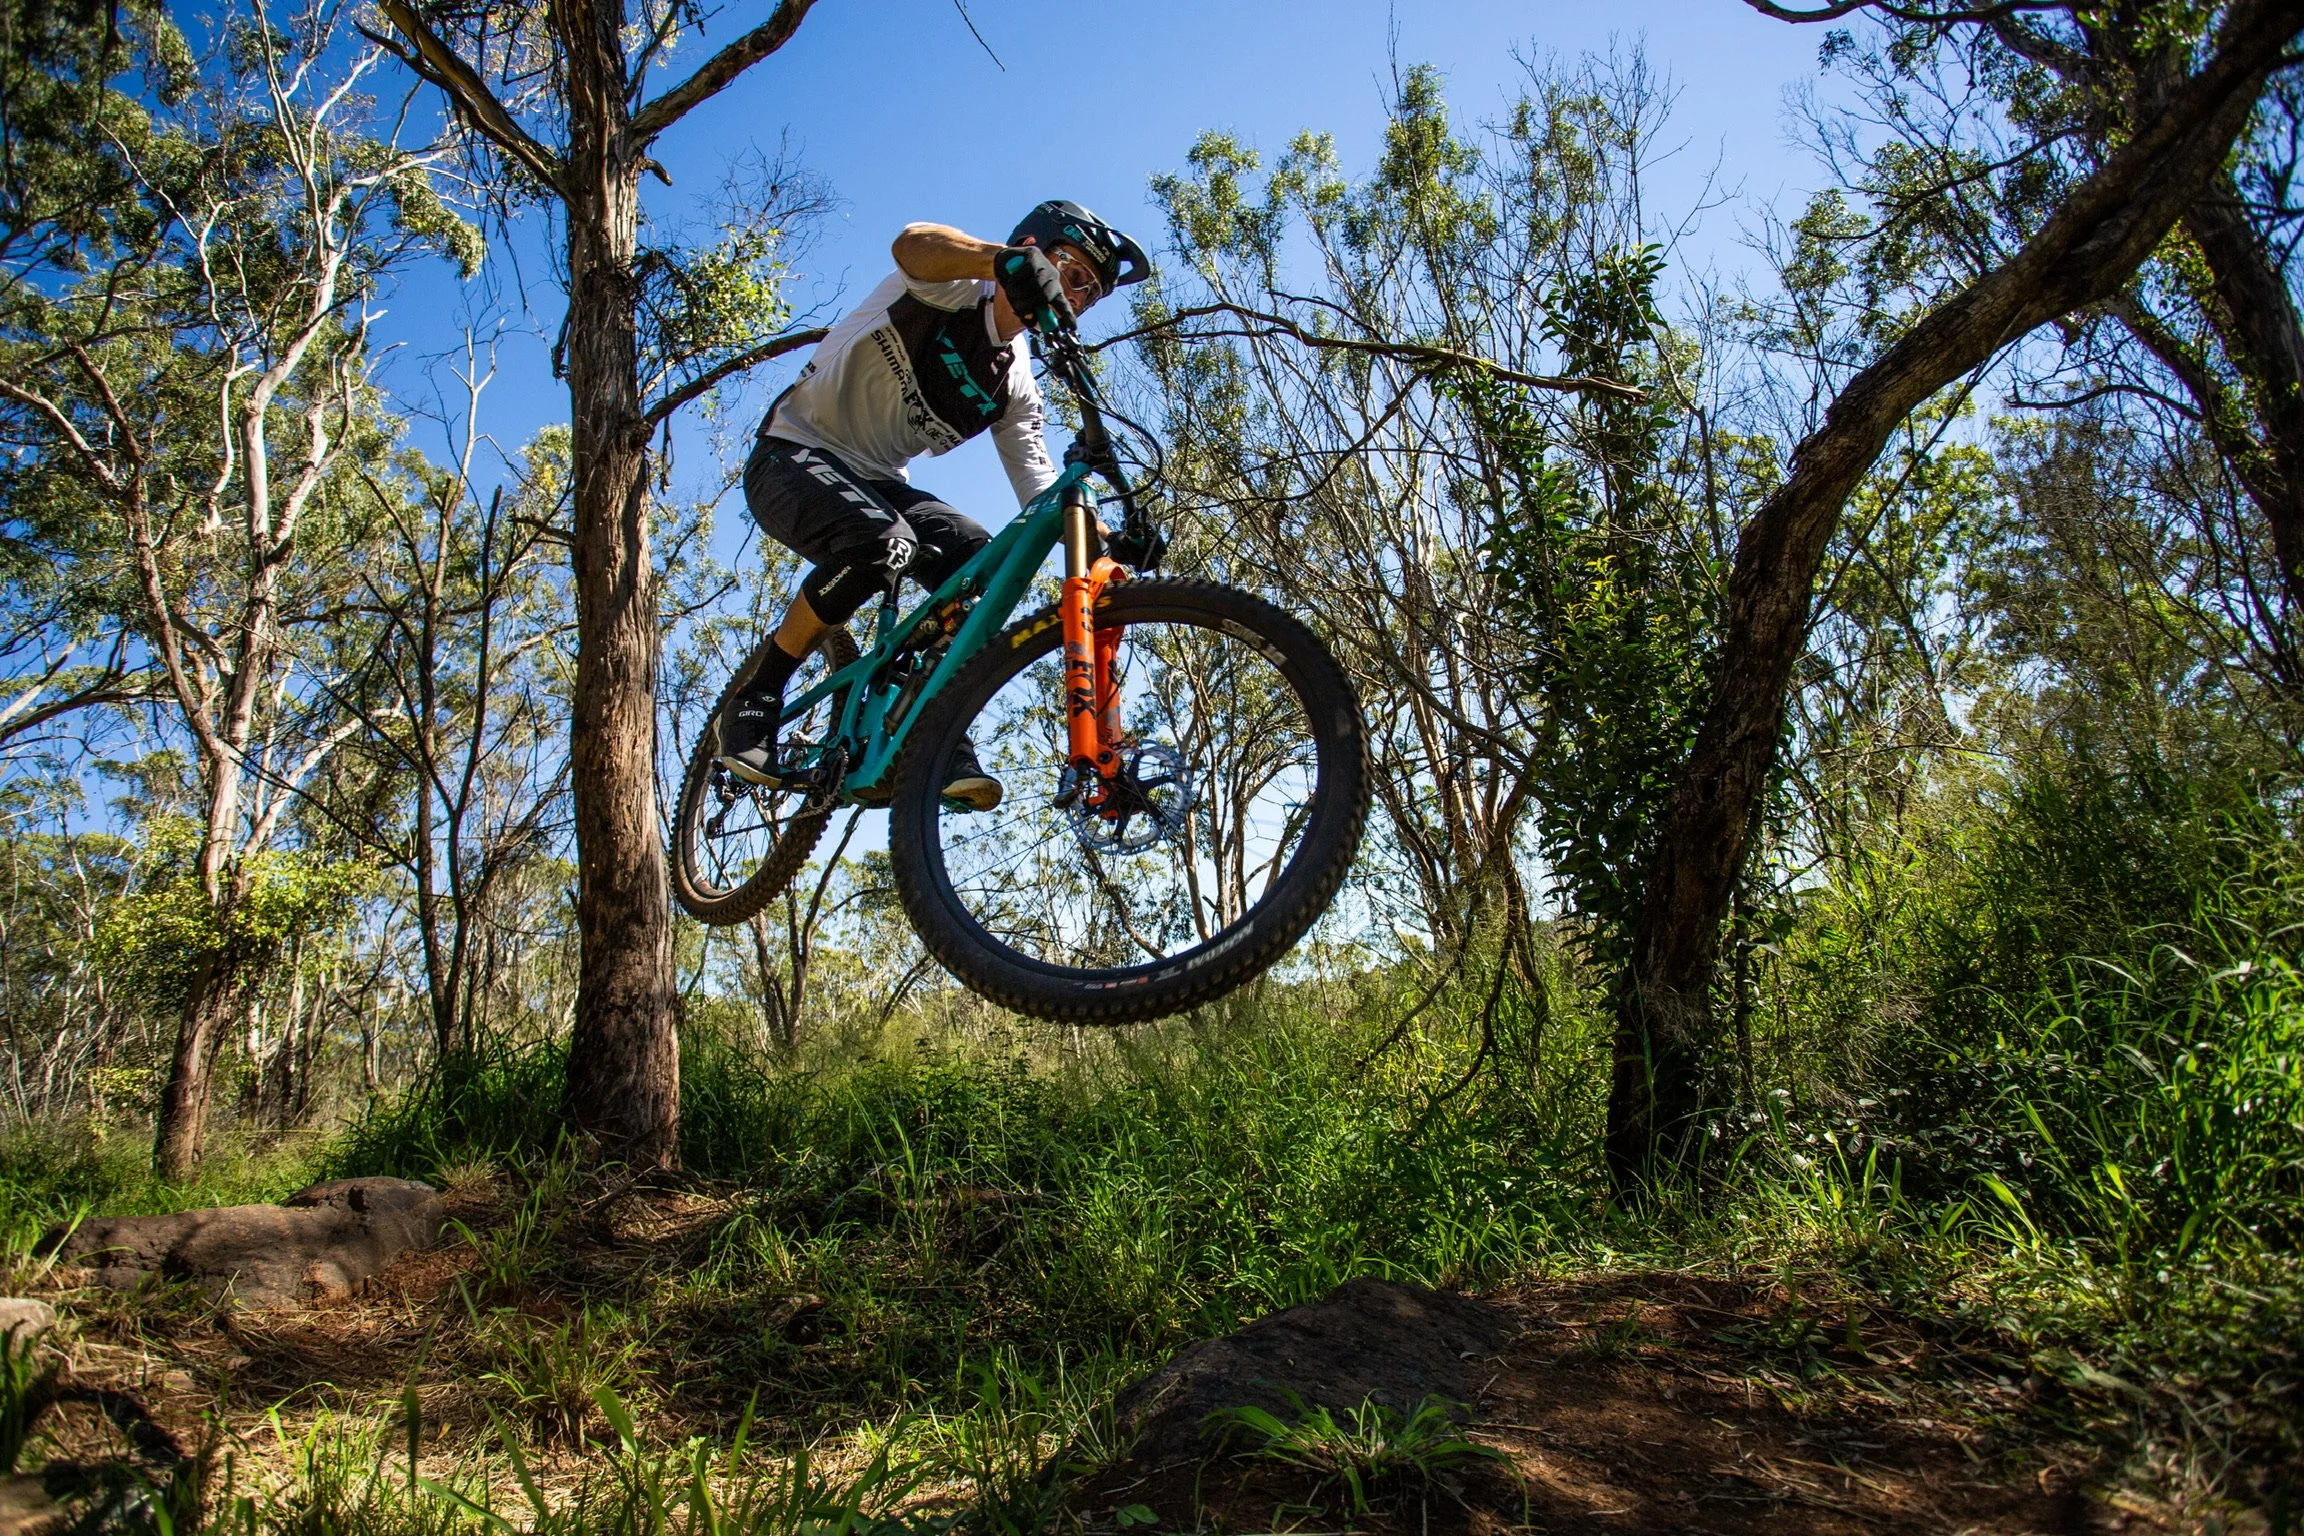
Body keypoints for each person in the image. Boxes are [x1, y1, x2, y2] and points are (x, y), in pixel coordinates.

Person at [718, 200, 1151, 810]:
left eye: (1091, 294)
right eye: (1072, 274)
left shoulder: (1016, 385)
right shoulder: (950, 282)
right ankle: (757, 696)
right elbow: (913, 242)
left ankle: (923, 722)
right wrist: (1003, 262)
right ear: (1033, 246)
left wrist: (1109, 539)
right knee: (883, 544)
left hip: (877, 480)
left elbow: (1037, 484)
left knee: (985, 561)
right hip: (793, 450)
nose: (1076, 298)